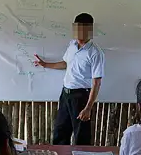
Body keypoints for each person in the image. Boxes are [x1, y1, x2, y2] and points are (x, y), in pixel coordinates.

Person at [33, 13, 105, 145]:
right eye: (77, 28)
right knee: (60, 131)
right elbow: (66, 63)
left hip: (81, 97)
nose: (79, 32)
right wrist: (45, 64)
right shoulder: (72, 45)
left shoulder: (95, 52)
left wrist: (88, 108)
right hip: (66, 94)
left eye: (83, 28)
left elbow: (97, 82)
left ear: (89, 30)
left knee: (81, 135)